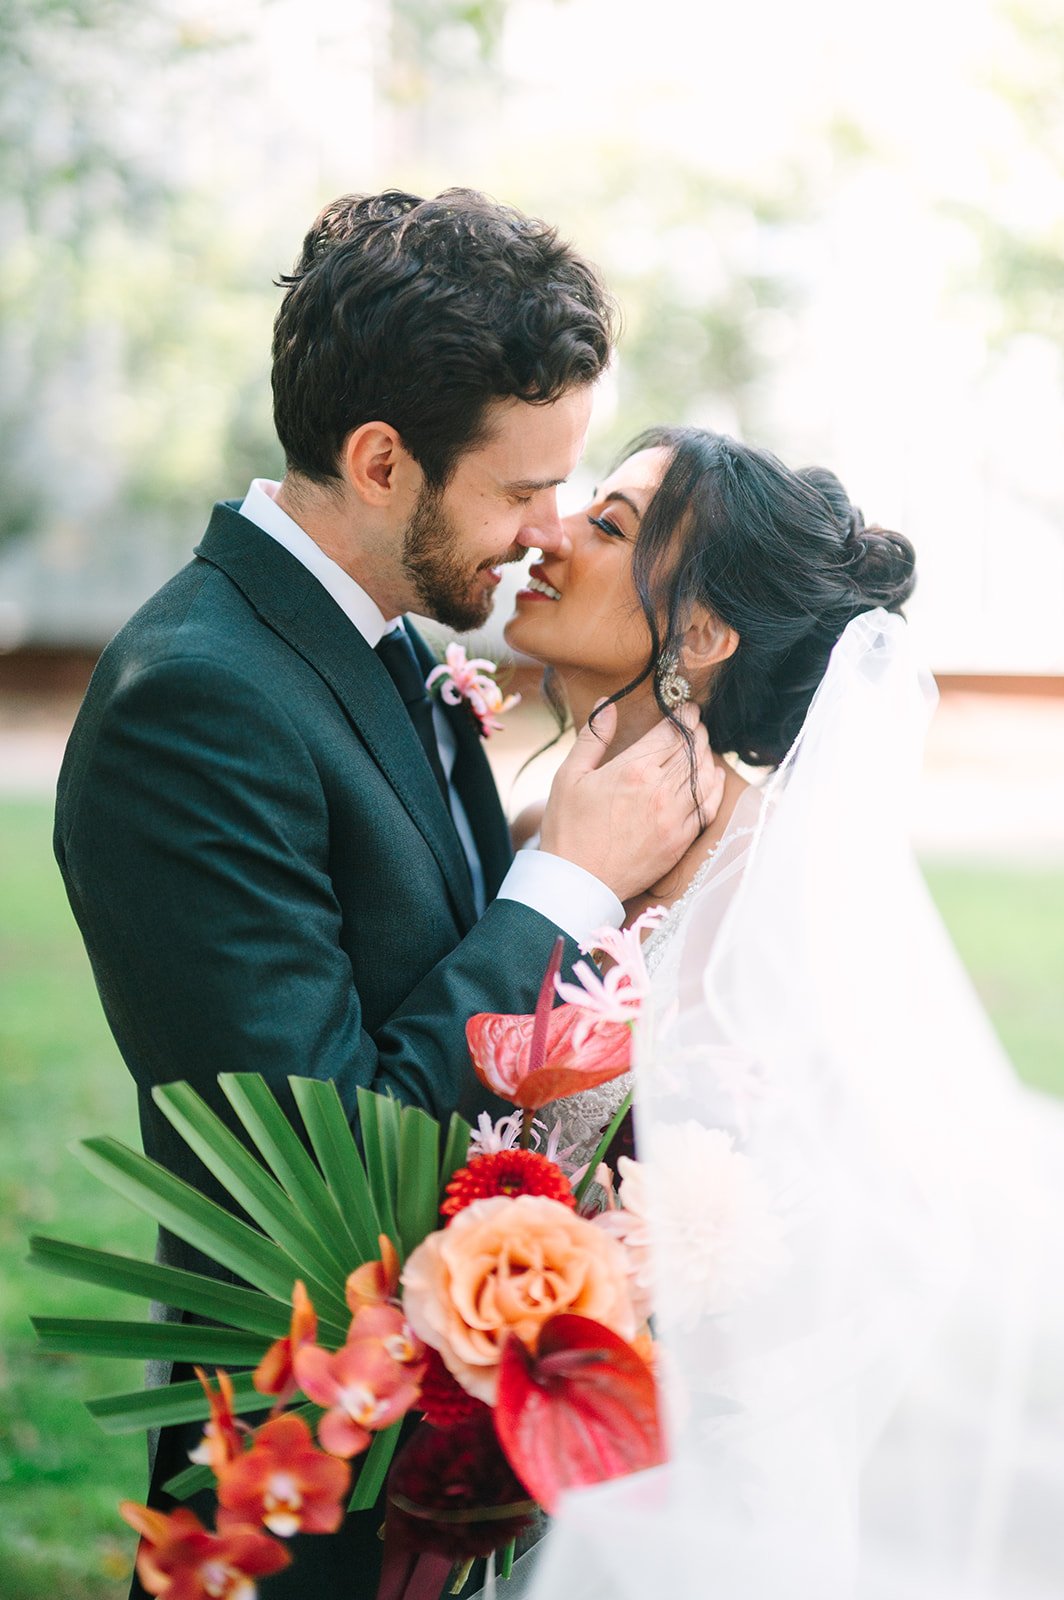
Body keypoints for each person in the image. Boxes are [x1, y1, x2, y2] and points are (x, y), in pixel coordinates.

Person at [52, 195, 721, 1599]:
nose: (548, 532)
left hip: (456, 1467)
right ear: (377, 461)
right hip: (303, 1484)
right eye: (520, 488)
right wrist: (565, 881)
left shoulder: (375, 645)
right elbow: (319, 1157)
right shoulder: (199, 700)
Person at [498, 427, 1063, 1599]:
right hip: (503, 1446)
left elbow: (848, 1236)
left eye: (605, 526)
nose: (547, 533)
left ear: (700, 638)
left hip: (693, 1487)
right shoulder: (526, 850)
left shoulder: (767, 899)